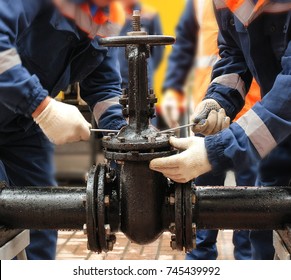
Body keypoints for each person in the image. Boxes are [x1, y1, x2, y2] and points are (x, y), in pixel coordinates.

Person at [150, 0, 291, 260]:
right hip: (275, 139)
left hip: (266, 122)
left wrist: (215, 152)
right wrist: (219, 100)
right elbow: (235, 55)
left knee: (252, 221)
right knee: (265, 233)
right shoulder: (225, 2)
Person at [0, 0, 126, 259]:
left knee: (43, 218)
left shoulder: (107, 16)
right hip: (28, 110)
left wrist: (123, 136)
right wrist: (40, 106)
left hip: (21, 126)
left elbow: (105, 88)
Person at [118, 0, 164, 89]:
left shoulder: (150, 14)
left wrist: (148, 68)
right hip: (117, 76)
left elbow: (158, 48)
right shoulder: (112, 13)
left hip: (143, 75)